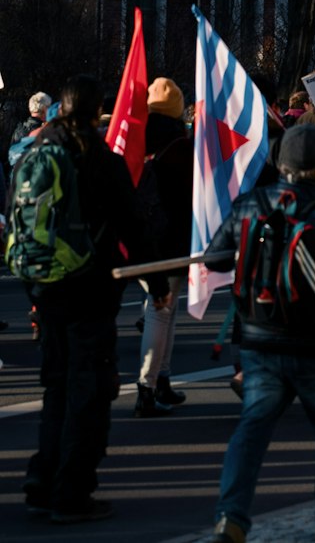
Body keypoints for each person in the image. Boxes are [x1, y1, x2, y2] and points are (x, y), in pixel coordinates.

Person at [204, 124, 315, 543]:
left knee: (253, 427)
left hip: (258, 341)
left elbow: (216, 260)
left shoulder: (249, 205)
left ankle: (231, 518)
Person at [17, 75, 166, 524]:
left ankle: (42, 478)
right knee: (90, 389)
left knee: (56, 385)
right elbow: (132, 224)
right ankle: (72, 492)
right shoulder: (98, 157)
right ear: (95, 112)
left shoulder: (36, 152)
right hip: (88, 289)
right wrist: (156, 284)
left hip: (44, 286)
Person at [134, 77, 195, 416]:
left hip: (146, 237)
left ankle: (161, 380)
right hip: (172, 239)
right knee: (162, 312)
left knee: (161, 310)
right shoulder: (181, 147)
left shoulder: (139, 140)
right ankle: (148, 386)